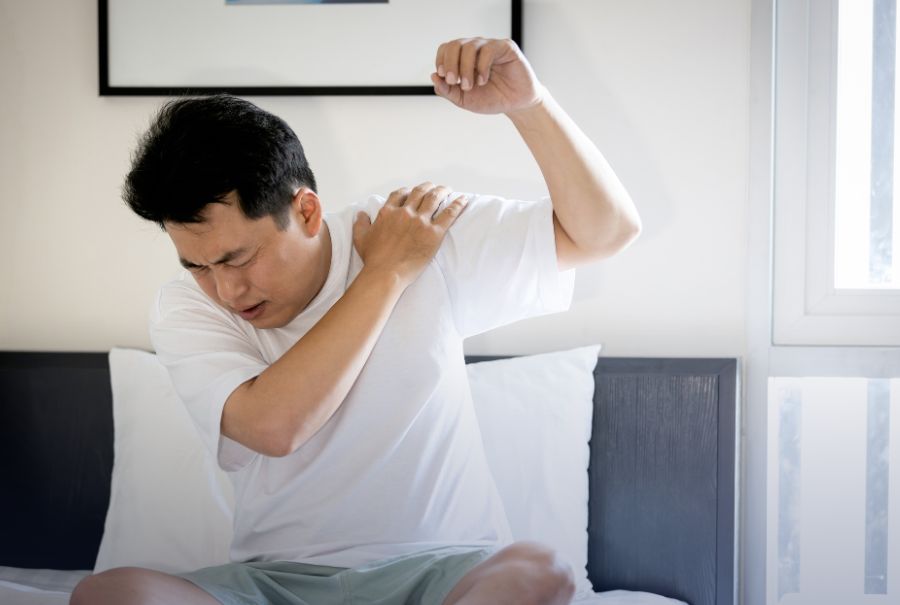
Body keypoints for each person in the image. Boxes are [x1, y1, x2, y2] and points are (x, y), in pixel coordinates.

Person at [71, 37, 641, 605]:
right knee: (107, 595)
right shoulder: (188, 306)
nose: (226, 290)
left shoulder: (414, 228)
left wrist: (530, 105)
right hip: (277, 584)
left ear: (306, 210)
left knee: (543, 571)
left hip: (445, 570)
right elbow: (275, 426)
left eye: (237, 258)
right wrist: (385, 274)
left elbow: (607, 232)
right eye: (197, 265)